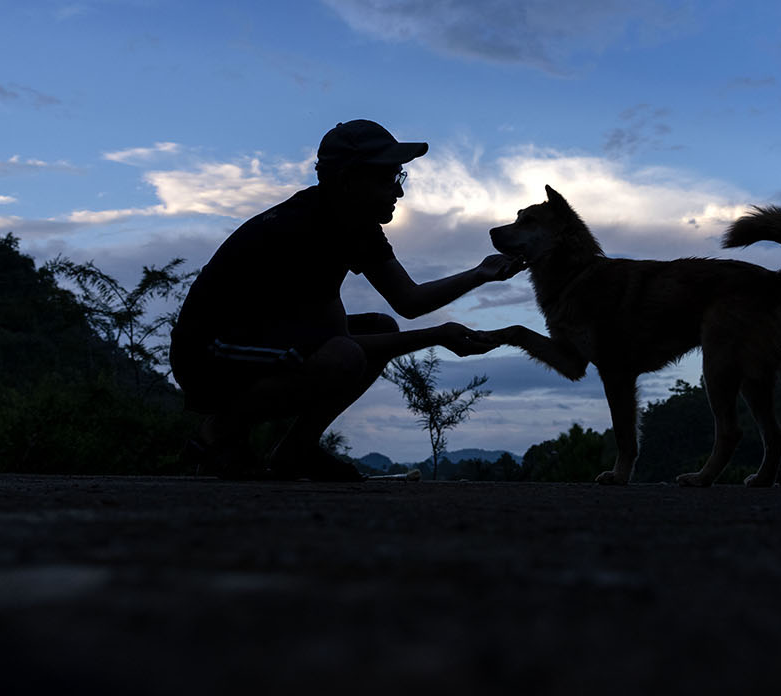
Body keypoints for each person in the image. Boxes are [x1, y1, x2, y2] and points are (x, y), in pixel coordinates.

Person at [169, 119, 523, 481]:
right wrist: (437, 335)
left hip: (261, 341)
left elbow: (409, 300)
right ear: (348, 180)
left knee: (380, 329)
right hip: (208, 356)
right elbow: (341, 346)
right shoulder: (302, 229)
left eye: (399, 177)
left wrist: (480, 273)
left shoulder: (357, 225)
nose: (399, 192)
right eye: (387, 178)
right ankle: (218, 434)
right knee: (345, 356)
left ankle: (296, 451)